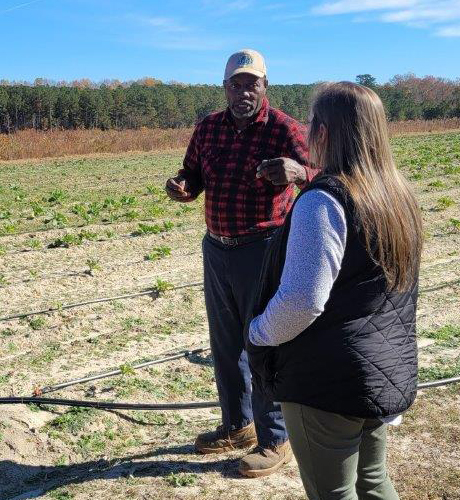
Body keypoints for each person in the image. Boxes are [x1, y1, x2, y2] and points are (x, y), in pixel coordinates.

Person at [247, 82, 422, 499]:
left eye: (311, 123)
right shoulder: (397, 193)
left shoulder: (324, 201)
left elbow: (302, 301)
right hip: (381, 370)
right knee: (374, 480)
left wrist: (258, 331)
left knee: (334, 493)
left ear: (323, 132)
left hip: (327, 382)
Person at [165, 49, 319, 477]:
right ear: (225, 87)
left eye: (251, 82)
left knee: (264, 339)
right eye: (236, 83)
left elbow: (326, 173)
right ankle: (238, 426)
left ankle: (276, 439)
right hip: (217, 247)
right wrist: (183, 186)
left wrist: (298, 172)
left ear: (265, 85)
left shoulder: (286, 129)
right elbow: (193, 173)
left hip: (264, 247)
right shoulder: (209, 128)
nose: (243, 90)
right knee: (226, 343)